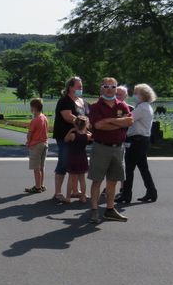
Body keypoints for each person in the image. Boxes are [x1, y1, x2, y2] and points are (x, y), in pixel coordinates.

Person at [87, 77, 133, 223]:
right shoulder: (96, 106)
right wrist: (119, 123)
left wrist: (109, 120)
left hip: (118, 148)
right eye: (106, 86)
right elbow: (99, 126)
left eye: (113, 87)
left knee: (113, 181)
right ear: (102, 88)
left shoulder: (122, 105)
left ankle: (110, 209)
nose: (109, 89)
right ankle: (94, 210)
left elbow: (130, 121)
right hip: (101, 147)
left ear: (116, 88)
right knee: (97, 180)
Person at [117, 83, 158, 204]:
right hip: (142, 141)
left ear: (143, 95)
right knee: (143, 168)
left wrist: (113, 120)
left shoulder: (142, 108)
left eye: (136, 93)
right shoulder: (146, 106)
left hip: (136, 141)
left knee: (128, 169)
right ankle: (151, 191)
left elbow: (128, 120)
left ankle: (126, 194)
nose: (134, 95)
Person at [52, 76, 86, 204]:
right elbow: (68, 117)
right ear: (71, 87)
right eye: (78, 86)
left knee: (76, 164)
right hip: (65, 137)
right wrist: (84, 124)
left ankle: (75, 190)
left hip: (78, 137)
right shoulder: (64, 101)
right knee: (64, 162)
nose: (81, 88)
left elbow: (87, 115)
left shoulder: (82, 101)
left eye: (81, 86)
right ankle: (58, 192)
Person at [64, 116, 91, 202]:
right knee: (82, 179)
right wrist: (86, 130)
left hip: (73, 157)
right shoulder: (87, 136)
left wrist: (71, 130)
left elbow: (65, 140)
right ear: (85, 125)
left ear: (75, 125)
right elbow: (93, 136)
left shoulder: (72, 135)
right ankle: (83, 197)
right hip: (82, 157)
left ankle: (68, 197)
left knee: (71, 178)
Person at [24, 98, 49, 193]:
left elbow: (30, 134)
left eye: (31, 107)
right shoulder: (44, 118)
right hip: (44, 143)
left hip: (36, 145)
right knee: (41, 167)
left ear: (34, 108)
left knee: (36, 167)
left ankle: (37, 187)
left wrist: (28, 142)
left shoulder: (35, 120)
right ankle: (41, 185)